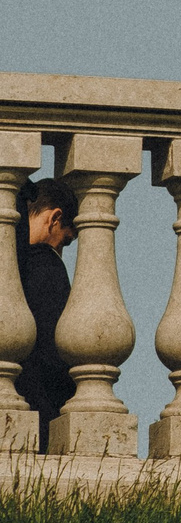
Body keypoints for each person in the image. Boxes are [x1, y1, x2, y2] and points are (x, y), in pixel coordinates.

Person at [13, 177, 76, 442]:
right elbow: (56, 352)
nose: (61, 250)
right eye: (66, 241)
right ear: (54, 219)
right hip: (36, 408)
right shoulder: (45, 266)